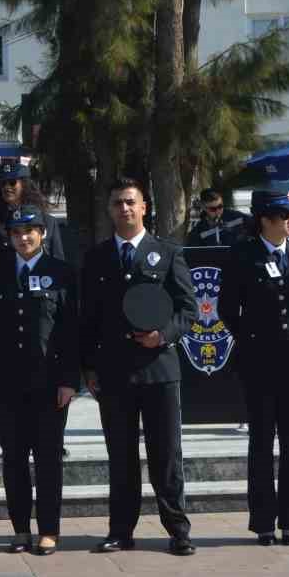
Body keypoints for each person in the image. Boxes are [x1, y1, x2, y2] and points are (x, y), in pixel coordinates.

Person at [79, 177, 198, 556]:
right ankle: (121, 529)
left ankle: (178, 528)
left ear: (144, 206)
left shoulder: (167, 253)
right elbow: (88, 319)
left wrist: (163, 335)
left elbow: (189, 311)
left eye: (131, 202)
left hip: (160, 370)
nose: (124, 209)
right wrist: (89, 368)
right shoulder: (96, 258)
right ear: (110, 210)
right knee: (121, 456)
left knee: (166, 455)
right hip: (114, 373)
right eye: (117, 203)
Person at [0, 207, 77, 555]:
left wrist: (68, 380)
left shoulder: (61, 273)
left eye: (31, 231)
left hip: (48, 384)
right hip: (7, 384)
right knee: (13, 458)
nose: (24, 237)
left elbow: (71, 330)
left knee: (47, 459)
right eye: (17, 232)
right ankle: (20, 528)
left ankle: (49, 529)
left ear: (43, 233)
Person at [217, 192, 289, 546]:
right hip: (258, 363)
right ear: (264, 219)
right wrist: (255, 338)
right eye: (283, 215)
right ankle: (263, 521)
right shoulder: (242, 254)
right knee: (261, 442)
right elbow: (227, 309)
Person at [0, 161, 66, 266]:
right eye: (2, 184)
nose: (7, 187)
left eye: (12, 182)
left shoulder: (48, 221)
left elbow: (58, 261)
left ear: (24, 185)